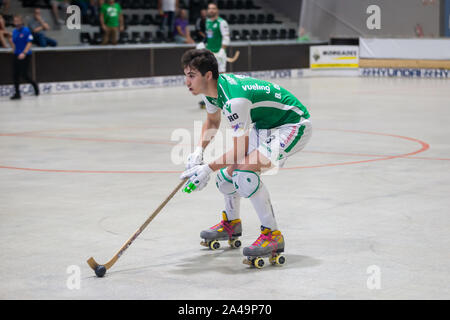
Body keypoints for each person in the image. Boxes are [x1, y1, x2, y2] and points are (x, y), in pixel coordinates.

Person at [180, 49, 312, 267]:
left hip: (292, 124)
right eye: (186, 75)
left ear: (208, 75)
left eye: (191, 75)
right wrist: (198, 152)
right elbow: (213, 122)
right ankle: (232, 224)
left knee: (244, 173)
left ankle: (272, 235)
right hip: (266, 126)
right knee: (225, 178)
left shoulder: (235, 100)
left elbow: (239, 151)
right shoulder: (212, 90)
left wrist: (206, 169)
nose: (186, 81)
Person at [197, 1, 229, 109]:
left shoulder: (221, 22)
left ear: (217, 10)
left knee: (221, 76)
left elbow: (226, 37)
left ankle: (224, 97)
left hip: (219, 54)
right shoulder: (207, 22)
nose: (211, 10)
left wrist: (222, 51)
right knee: (207, 75)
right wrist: (203, 44)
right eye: (209, 8)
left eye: (213, 8)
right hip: (209, 54)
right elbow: (209, 37)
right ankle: (209, 97)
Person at [10, 15, 40, 100]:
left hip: (25, 55)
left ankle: (34, 85)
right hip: (16, 54)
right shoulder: (14, 31)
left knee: (24, 74)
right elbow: (13, 42)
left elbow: (29, 42)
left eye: (17, 20)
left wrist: (24, 53)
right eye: (14, 20)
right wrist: (13, 49)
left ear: (21, 22)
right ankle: (17, 93)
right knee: (15, 74)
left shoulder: (26, 31)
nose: (15, 22)